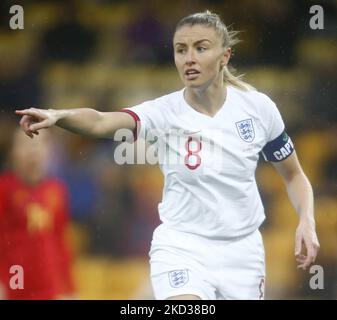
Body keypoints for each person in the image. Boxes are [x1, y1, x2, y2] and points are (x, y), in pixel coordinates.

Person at [15, 11, 319, 300]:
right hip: (182, 246)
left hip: (242, 253)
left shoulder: (257, 109)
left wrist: (306, 219)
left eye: (201, 48)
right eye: (180, 50)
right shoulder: (163, 113)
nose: (189, 59)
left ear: (225, 56)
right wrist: (58, 114)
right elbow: (99, 121)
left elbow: (293, 175)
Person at [0, 129, 75, 300]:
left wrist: (69, 288)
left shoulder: (57, 190)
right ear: (13, 151)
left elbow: (61, 241)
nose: (32, 151)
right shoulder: (4, 189)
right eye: (25, 144)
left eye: (38, 144)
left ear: (48, 150)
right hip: (13, 284)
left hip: (49, 286)